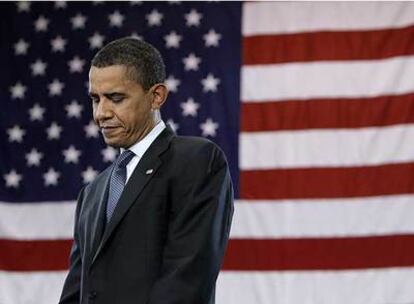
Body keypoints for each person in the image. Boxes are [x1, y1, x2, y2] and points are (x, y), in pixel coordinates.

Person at [59, 37, 234, 304]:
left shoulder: (196, 161)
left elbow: (186, 281)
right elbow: (77, 292)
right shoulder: (92, 193)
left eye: (115, 98)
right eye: (95, 99)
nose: (100, 113)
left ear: (156, 97)